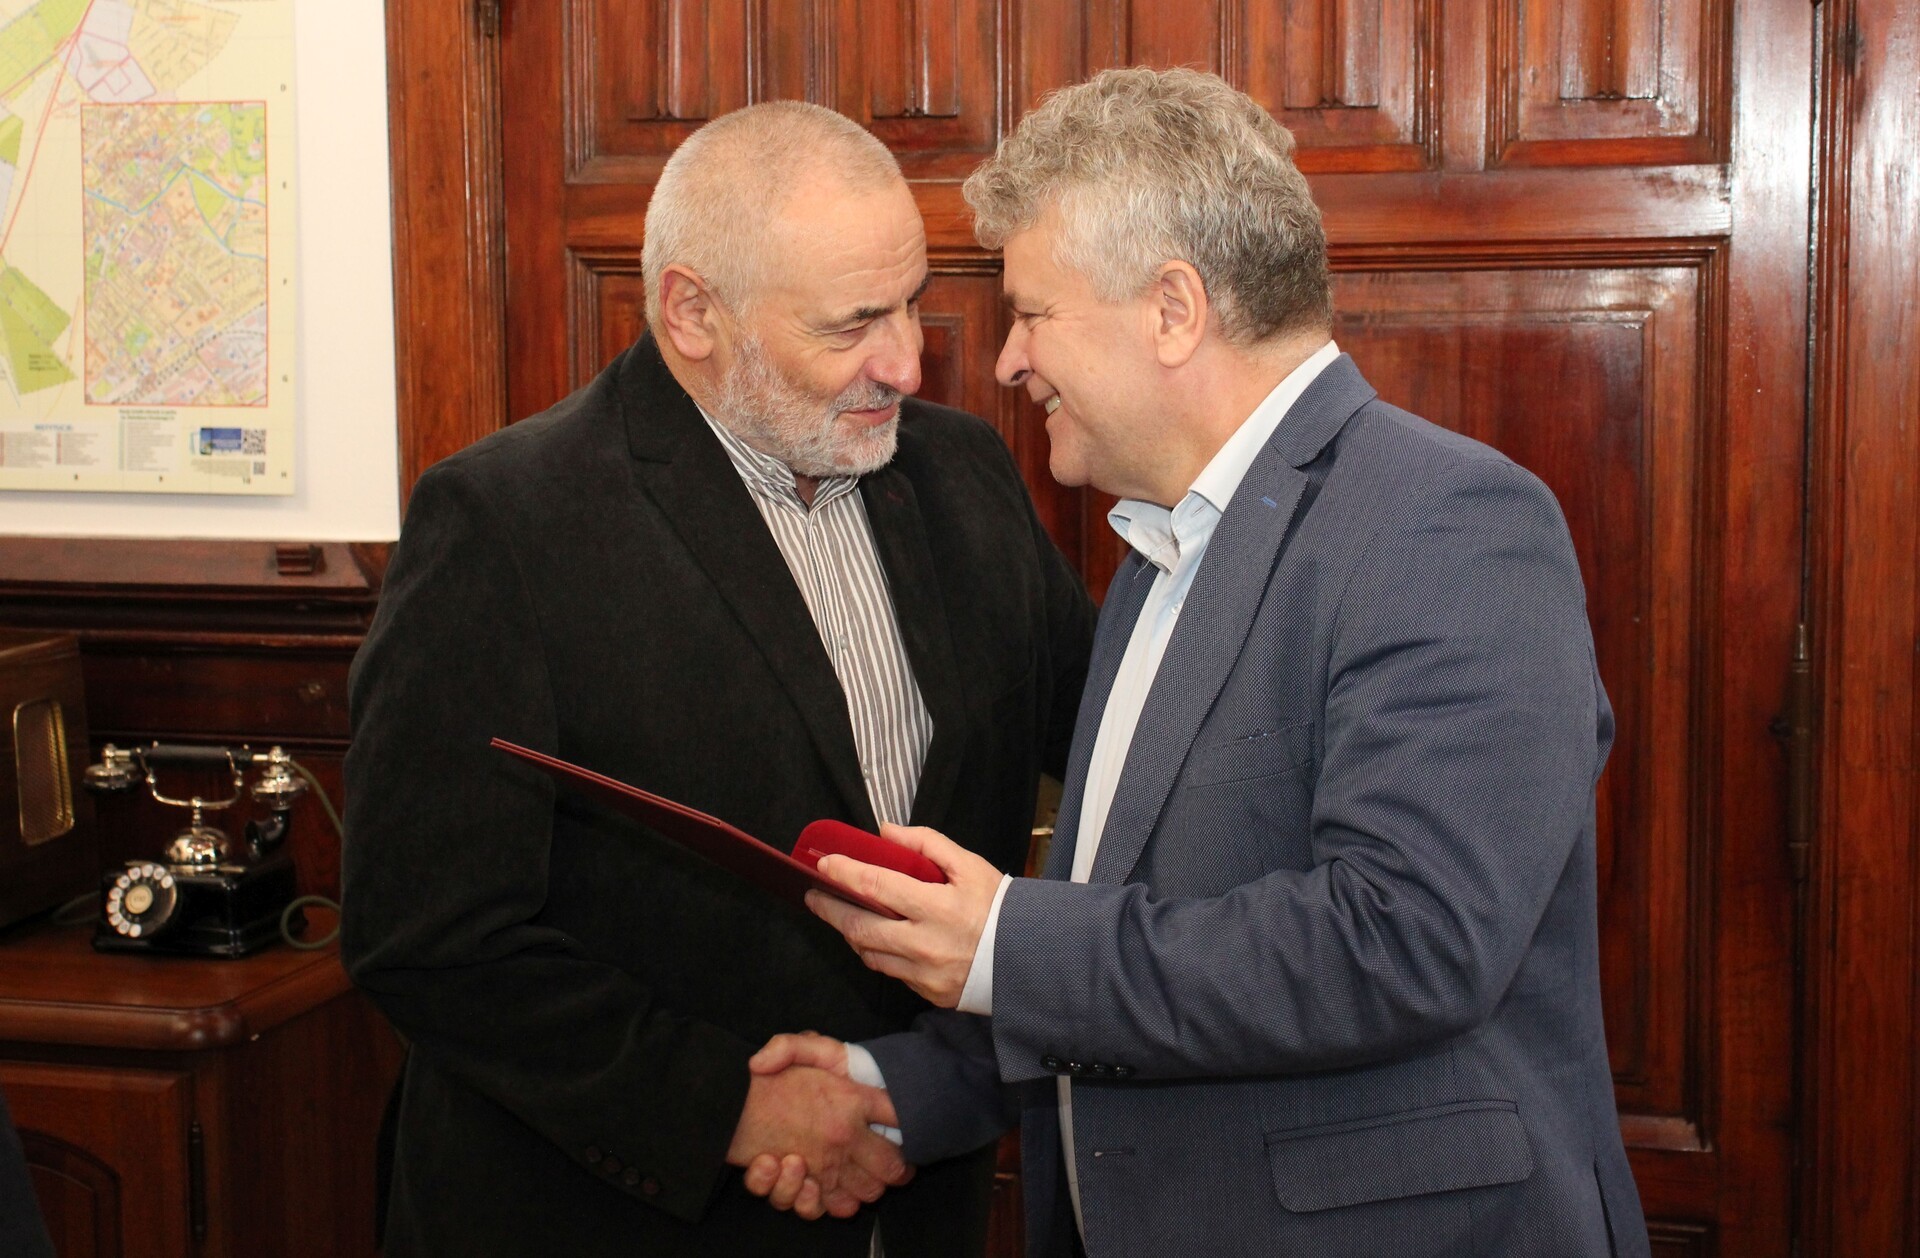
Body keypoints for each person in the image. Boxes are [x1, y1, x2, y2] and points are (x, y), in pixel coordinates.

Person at [761, 68, 1653, 1257]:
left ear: (1173, 310)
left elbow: (1408, 941)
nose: (1011, 360)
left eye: (1033, 312)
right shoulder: (1157, 550)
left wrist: (1008, 947)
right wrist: (900, 1086)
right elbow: (1139, 927)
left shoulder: (1448, 523)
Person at [341, 100, 1093, 1257]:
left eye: (911, 303)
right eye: (853, 323)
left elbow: (1101, 758)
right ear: (694, 312)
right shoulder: (506, 522)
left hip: (920, 1198)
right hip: (610, 1216)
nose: (906, 361)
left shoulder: (966, 471)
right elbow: (427, 932)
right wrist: (729, 1107)